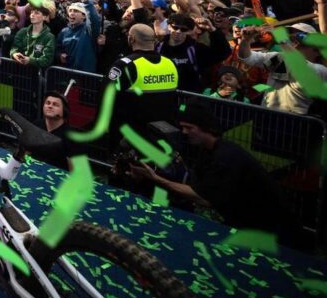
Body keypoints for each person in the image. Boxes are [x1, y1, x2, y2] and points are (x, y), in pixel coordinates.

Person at [129, 103, 297, 245]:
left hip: (271, 230)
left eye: (189, 128)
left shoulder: (225, 157)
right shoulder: (207, 150)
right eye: (182, 127)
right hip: (246, 221)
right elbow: (195, 184)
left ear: (206, 129)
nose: (184, 132)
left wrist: (155, 178)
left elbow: (203, 198)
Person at [106, 24, 179, 138]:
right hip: (165, 131)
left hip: (132, 133)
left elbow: (107, 99)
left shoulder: (125, 65)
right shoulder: (170, 63)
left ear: (131, 39)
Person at [236, 22, 324, 115]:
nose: (293, 39)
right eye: (290, 35)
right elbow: (247, 57)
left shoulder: (321, 70)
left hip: (292, 121)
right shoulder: (279, 59)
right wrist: (246, 40)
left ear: (316, 50)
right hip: (266, 117)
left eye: (300, 36)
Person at [157, 13, 230, 94]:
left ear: (189, 31)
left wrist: (212, 30)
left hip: (189, 97)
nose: (178, 31)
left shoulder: (196, 49)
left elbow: (223, 53)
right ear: (168, 26)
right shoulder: (158, 47)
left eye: (183, 29)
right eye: (175, 27)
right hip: (162, 94)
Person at [31, 92, 75, 169]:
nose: (50, 106)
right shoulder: (36, 125)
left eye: (55, 104)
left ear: (64, 111)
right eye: (47, 103)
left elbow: (73, 169)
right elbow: (26, 151)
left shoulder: (70, 136)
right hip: (33, 170)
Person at [55, 0, 101, 73]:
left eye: (76, 11)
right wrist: (59, 55)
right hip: (67, 73)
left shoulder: (89, 30)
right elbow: (57, 49)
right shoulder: (64, 32)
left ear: (84, 16)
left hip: (85, 75)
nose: (72, 13)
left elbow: (94, 19)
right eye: (70, 11)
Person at [11, 3, 56, 69]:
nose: (32, 15)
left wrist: (30, 60)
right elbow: (15, 47)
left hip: (36, 72)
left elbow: (47, 59)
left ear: (45, 17)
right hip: (18, 70)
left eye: (36, 13)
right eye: (31, 12)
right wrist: (14, 54)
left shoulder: (49, 37)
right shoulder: (22, 31)